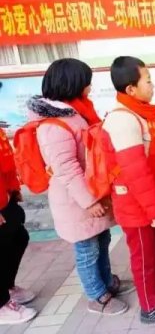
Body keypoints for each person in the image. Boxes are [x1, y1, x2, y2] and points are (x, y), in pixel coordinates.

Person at [25, 59, 132, 315]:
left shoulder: (74, 112)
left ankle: (106, 282)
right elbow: (66, 168)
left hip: (90, 191)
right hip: (75, 200)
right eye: (86, 81)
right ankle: (97, 296)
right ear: (72, 83)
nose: (90, 87)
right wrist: (89, 201)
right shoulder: (53, 124)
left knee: (102, 239)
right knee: (87, 249)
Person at [103, 57, 155, 324]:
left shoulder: (138, 114)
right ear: (131, 89)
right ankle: (150, 308)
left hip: (144, 201)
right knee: (144, 258)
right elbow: (135, 172)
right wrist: (153, 209)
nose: (153, 86)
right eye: (148, 81)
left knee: (153, 253)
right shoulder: (123, 120)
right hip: (135, 205)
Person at [0, 127, 36, 325]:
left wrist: (13, 189)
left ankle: (7, 287)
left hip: (5, 197)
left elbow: (5, 161)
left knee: (19, 238)